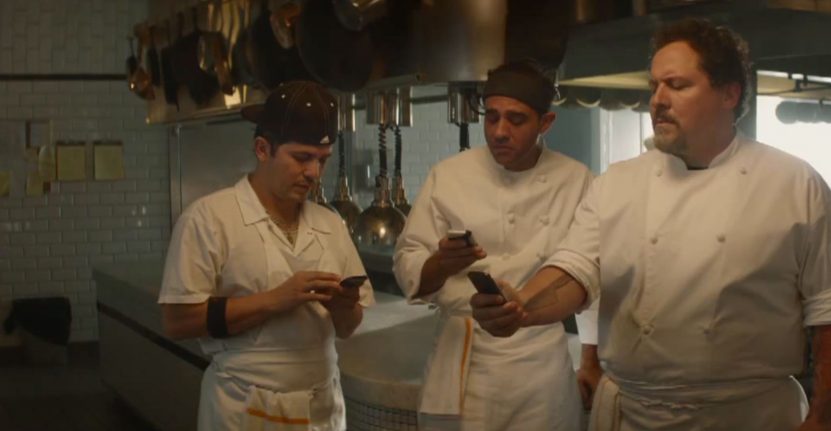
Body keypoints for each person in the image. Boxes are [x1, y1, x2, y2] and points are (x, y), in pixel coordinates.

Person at [469, 18, 831, 431]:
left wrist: (826, 414)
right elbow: (575, 268)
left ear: (729, 94)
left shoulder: (793, 183)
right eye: (653, 87)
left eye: (677, 85)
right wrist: (520, 306)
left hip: (747, 416)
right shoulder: (619, 182)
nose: (658, 100)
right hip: (635, 414)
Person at [158, 80, 375, 431]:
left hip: (321, 408)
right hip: (244, 407)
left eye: (323, 160)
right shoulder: (210, 218)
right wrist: (278, 299)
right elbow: (177, 320)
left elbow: (348, 327)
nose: (314, 174)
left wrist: (341, 305)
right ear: (262, 148)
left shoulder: (330, 224)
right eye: (301, 158)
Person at [392, 61, 596, 430]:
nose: (500, 131)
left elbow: (588, 269)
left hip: (539, 365)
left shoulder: (575, 179)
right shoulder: (449, 175)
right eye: (492, 118)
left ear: (545, 123)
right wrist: (441, 262)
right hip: (464, 354)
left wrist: (591, 360)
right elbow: (408, 261)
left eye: (516, 120)